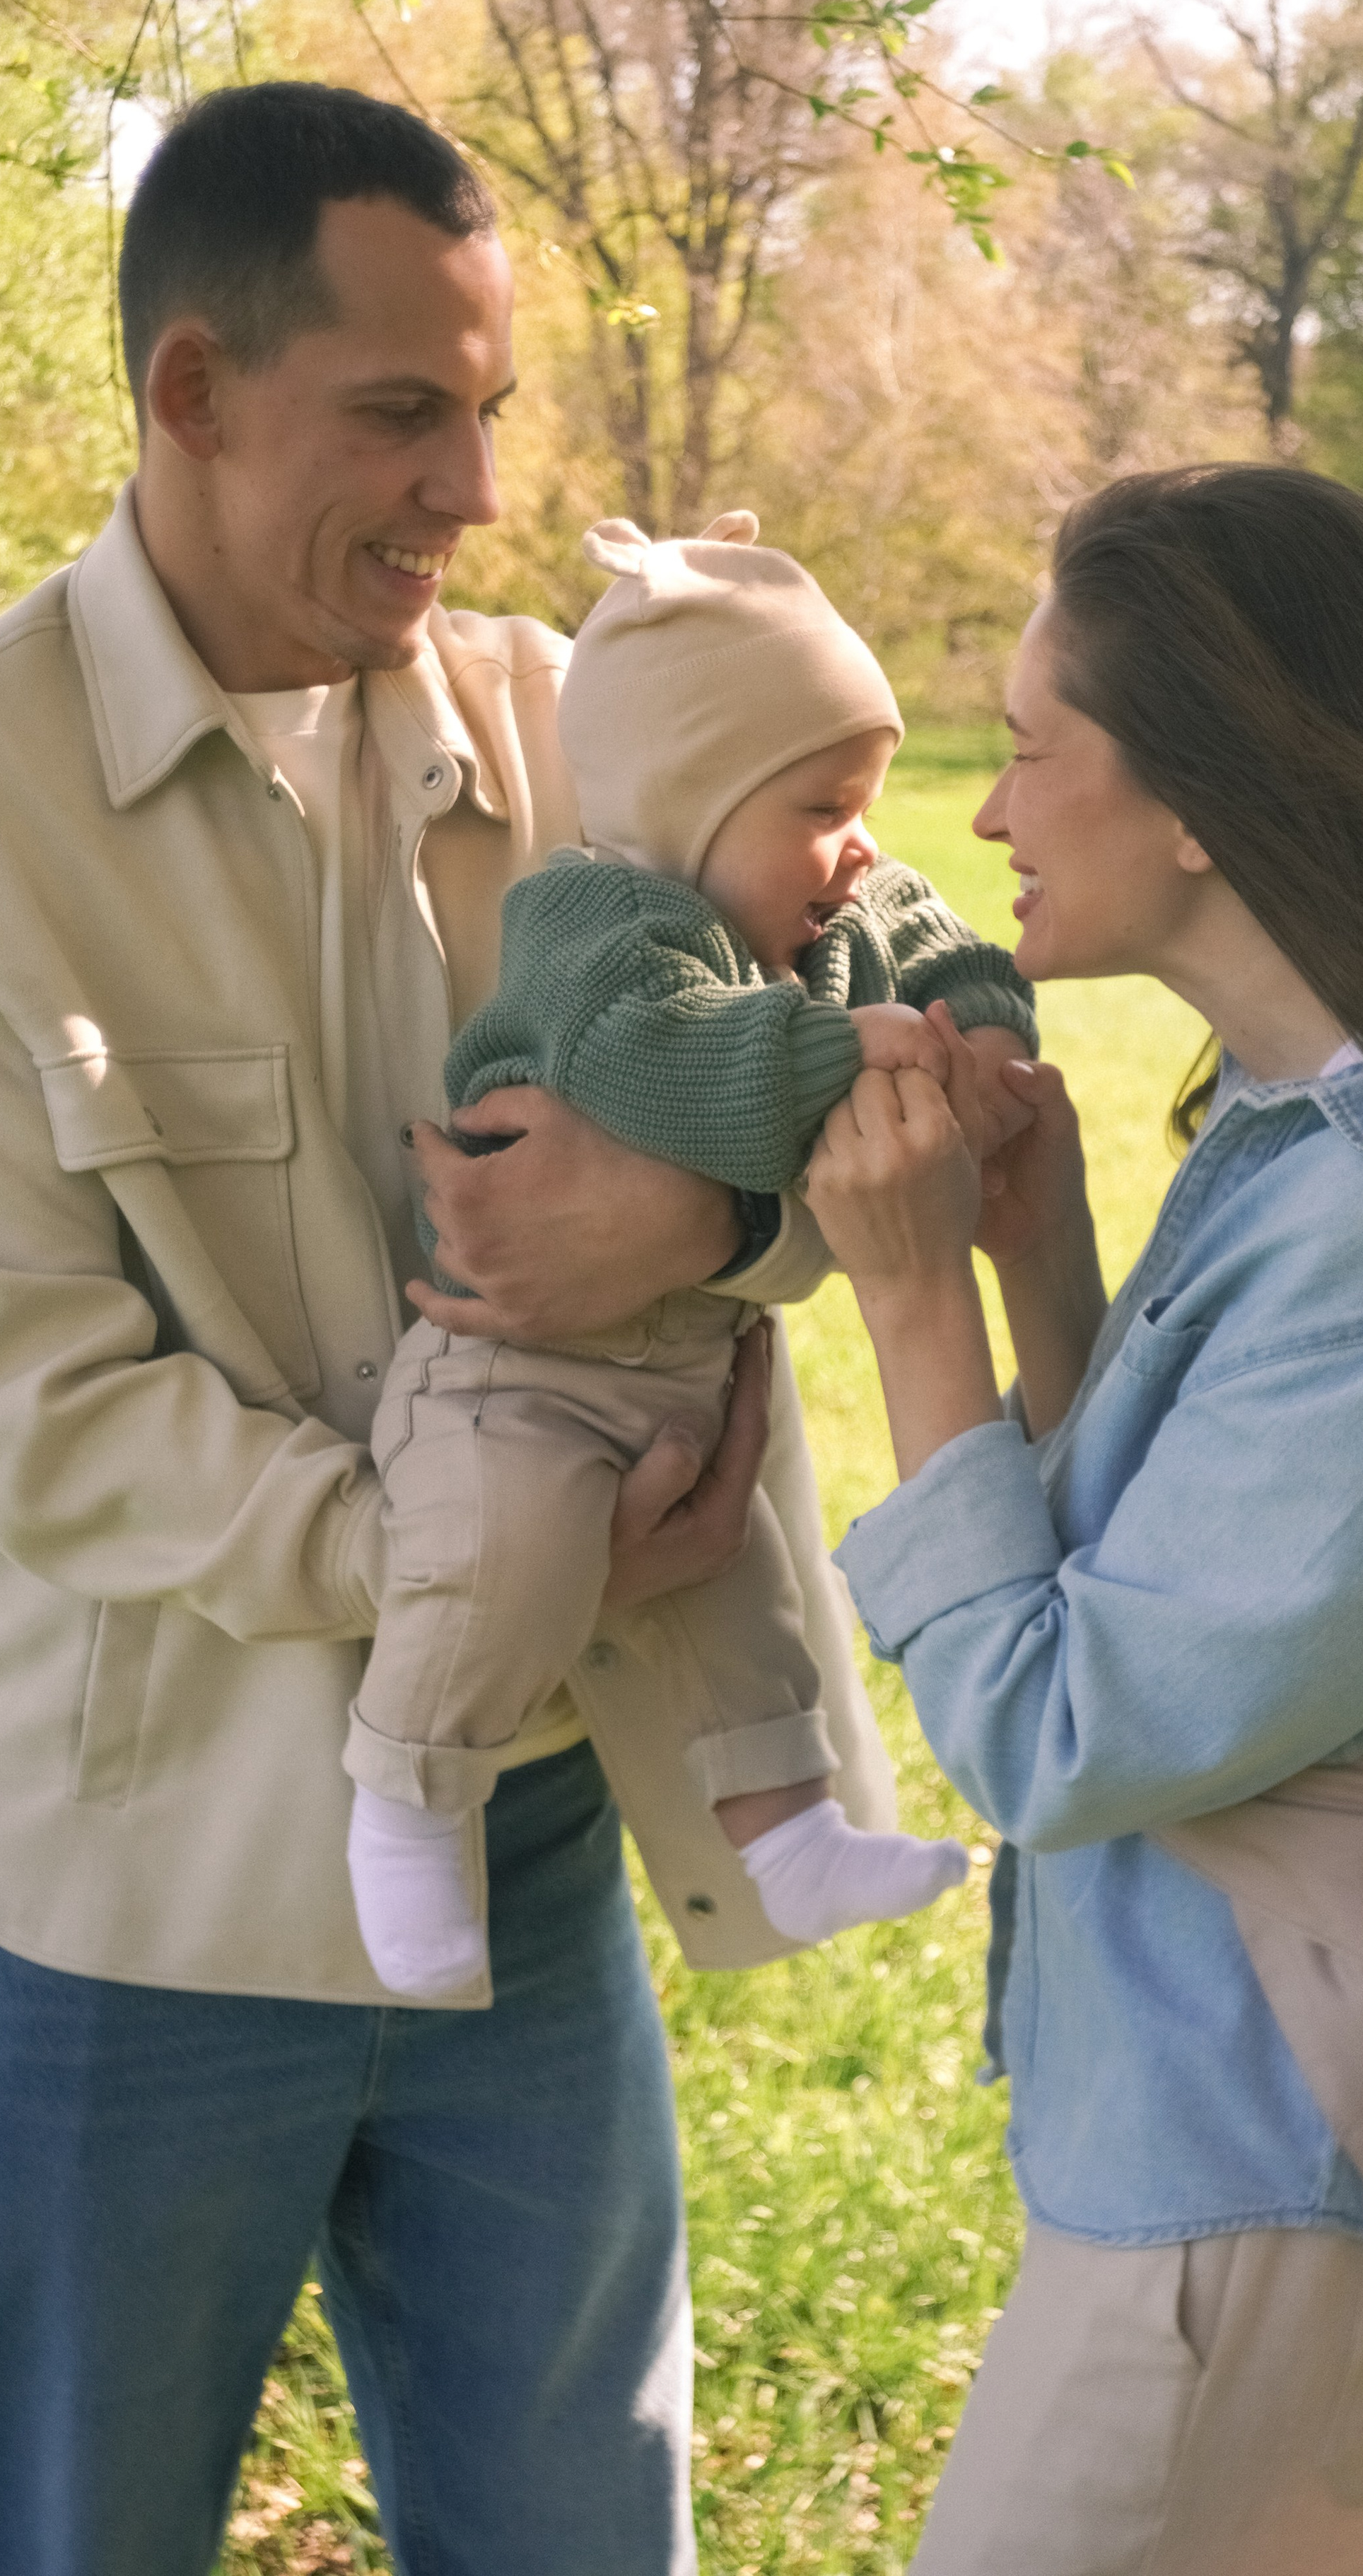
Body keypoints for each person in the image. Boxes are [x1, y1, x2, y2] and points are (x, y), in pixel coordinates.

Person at [0, 81, 899, 2576]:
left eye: (488, 407)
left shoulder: (579, 717)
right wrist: (481, 1556)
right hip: (140, 1924)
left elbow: (859, 1080)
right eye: (403, 413)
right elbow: (30, 1413)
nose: (473, 491)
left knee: (587, 2540)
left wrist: (694, 1211)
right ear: (191, 390)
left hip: (538, 1851)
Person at [804, 463, 1363, 2575]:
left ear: (1200, 798)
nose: (987, 813)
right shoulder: (1310, 1132)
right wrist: (1039, 1256)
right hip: (1272, 2129)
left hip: (1272, 2173)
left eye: (1030, 748)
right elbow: (1183, 1578)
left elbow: (1064, 1729)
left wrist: (911, 1306)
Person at [345, 506, 1039, 1997]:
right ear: (684, 803)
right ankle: (406, 1799)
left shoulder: (828, 910)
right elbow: (664, 1064)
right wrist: (856, 1045)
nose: (864, 843)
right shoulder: (595, 921)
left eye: (866, 796)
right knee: (501, 1553)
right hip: (515, 1380)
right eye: (823, 804)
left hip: (679, 1368)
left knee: (736, 1601)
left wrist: (979, 1032)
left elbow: (942, 940)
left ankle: (789, 1832)